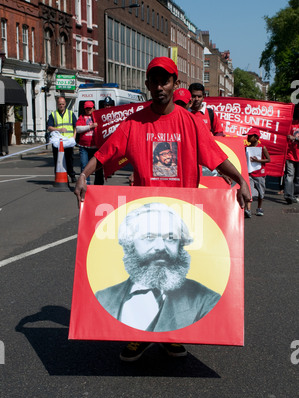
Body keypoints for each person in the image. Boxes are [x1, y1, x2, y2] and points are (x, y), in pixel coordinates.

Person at [74, 56, 251, 361]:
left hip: (181, 213)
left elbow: (215, 157)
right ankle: (140, 336)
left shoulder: (191, 122)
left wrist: (241, 181)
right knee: (145, 272)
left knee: (175, 275)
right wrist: (84, 174)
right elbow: (107, 152)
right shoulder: (134, 123)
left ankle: (172, 333)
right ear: (147, 85)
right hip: (146, 211)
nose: (159, 87)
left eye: (165, 80)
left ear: (175, 84)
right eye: (154, 81)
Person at [96, 203, 221, 335]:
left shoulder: (206, 300)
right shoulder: (103, 298)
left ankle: (172, 341)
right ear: (130, 244)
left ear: (181, 244)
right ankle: (137, 341)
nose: (161, 246)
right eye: (149, 237)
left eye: (171, 238)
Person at [47, 96, 77, 183]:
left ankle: (72, 175)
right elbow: (49, 127)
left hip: (68, 141)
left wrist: (74, 137)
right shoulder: (53, 114)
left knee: (69, 159)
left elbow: (76, 126)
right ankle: (58, 177)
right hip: (58, 141)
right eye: (59, 104)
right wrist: (59, 129)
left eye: (63, 104)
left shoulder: (70, 114)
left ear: (65, 104)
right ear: (57, 104)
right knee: (57, 160)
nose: (61, 105)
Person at [244, 127, 271, 218]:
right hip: (249, 173)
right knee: (249, 191)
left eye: (249, 136)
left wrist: (258, 160)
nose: (247, 138)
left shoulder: (262, 148)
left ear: (256, 137)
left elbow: (268, 159)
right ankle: (248, 209)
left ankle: (259, 208)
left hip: (260, 174)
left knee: (261, 192)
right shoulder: (246, 148)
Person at [76, 101, 104, 186]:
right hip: (84, 147)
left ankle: (98, 185)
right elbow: (78, 129)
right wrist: (90, 126)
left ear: (93, 108)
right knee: (84, 166)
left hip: (95, 147)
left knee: (98, 167)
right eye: (87, 109)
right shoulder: (82, 117)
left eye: (90, 108)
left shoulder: (98, 116)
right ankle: (85, 184)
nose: (88, 110)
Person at [284, 105, 299, 204]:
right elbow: (285, 135)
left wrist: (295, 138)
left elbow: (292, 137)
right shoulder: (290, 124)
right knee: (290, 175)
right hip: (290, 154)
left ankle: (296, 195)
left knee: (297, 177)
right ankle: (288, 195)